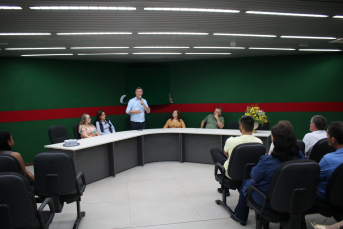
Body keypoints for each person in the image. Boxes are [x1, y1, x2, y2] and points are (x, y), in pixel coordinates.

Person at [229, 124, 305, 226]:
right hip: (296, 199)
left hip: (269, 201)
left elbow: (255, 178)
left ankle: (241, 216)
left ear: (275, 140)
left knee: (247, 183)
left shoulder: (267, 160)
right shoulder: (301, 157)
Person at [210, 115, 263, 196]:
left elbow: (225, 153)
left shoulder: (231, 140)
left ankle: (225, 188)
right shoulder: (259, 142)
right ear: (253, 127)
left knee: (214, 151)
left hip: (232, 174)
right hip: (250, 173)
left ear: (241, 126)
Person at [317, 121, 343, 202]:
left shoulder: (328, 159)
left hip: (330, 197)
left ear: (333, 139)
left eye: (327, 134)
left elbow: (315, 177)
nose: (326, 136)